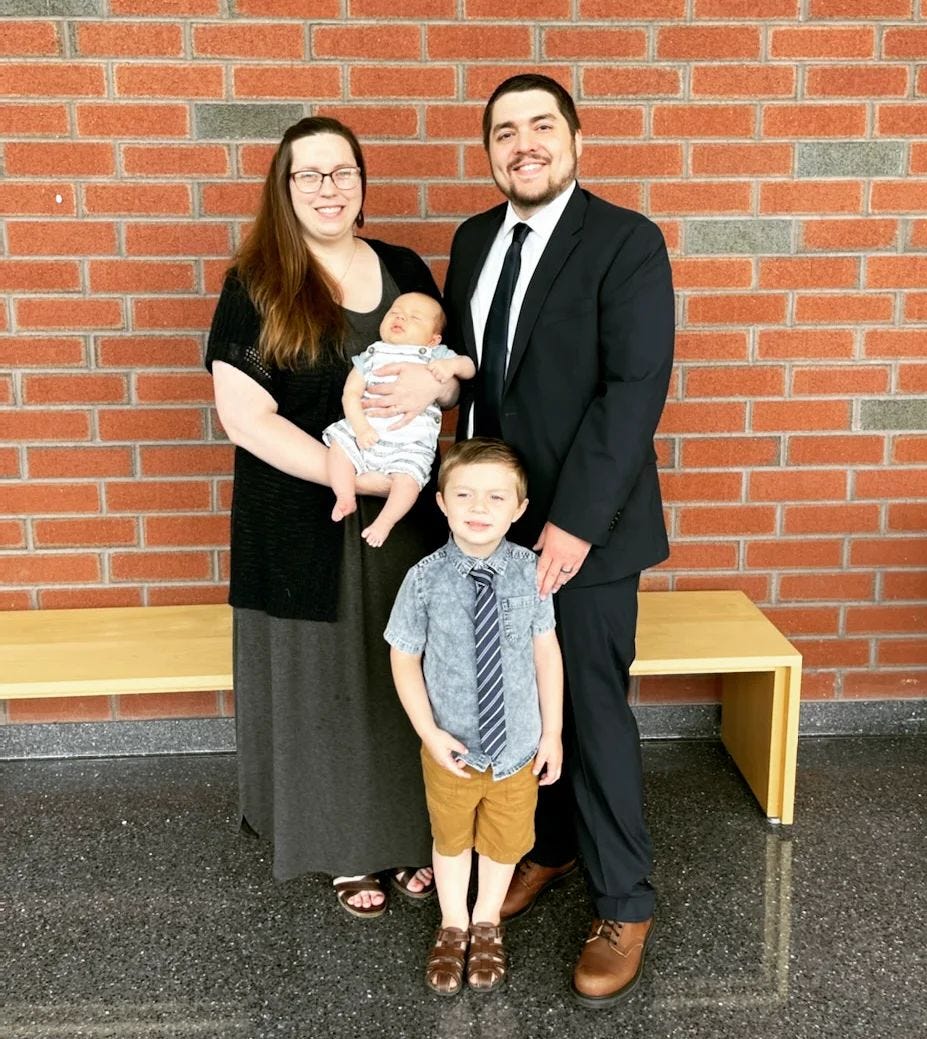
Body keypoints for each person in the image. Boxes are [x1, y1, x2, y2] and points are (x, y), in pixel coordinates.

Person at [375, 74, 675, 1007]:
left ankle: (625, 901)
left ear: (576, 139)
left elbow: (633, 390)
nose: (524, 144)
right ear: (490, 151)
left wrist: (572, 524)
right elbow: (472, 372)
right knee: (509, 699)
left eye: (542, 125)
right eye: (505, 131)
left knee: (586, 708)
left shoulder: (626, 241)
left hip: (586, 530)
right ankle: (545, 847)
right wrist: (425, 391)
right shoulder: (473, 239)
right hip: (486, 530)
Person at [205, 115, 464, 919]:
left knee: (404, 673)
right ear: (284, 190)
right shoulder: (255, 284)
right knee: (323, 684)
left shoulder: (404, 268)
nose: (328, 188)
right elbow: (246, 418)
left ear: (361, 182)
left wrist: (437, 387)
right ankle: (341, 843)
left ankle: (412, 832)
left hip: (404, 525)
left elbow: (450, 374)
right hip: (298, 517)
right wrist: (358, 476)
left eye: (342, 171)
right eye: (309, 174)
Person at [385, 438, 563, 995]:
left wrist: (553, 733)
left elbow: (546, 653)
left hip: (517, 749)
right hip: (452, 749)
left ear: (519, 508)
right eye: (464, 495)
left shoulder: (532, 573)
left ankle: (486, 922)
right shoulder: (423, 579)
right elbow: (403, 657)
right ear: (441, 503)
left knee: (505, 842)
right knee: (451, 838)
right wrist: (428, 733)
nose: (479, 507)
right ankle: (453, 924)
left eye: (495, 497)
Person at [323, 291, 476, 547]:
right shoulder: (371, 355)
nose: (401, 318)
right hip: (366, 431)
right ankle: (345, 495)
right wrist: (360, 428)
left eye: (414, 318)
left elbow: (469, 367)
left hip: (409, 442)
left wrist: (451, 367)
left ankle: (385, 521)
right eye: (395, 312)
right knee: (338, 447)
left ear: (433, 339)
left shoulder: (436, 355)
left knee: (408, 481)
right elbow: (350, 393)